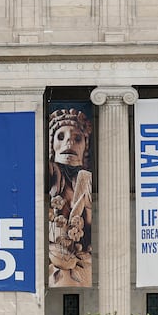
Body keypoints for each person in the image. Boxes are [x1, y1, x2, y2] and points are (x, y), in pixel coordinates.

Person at [47, 107, 93, 288]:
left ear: (85, 146)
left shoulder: (85, 180)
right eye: (61, 137)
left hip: (79, 257)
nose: (69, 142)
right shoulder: (53, 173)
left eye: (77, 138)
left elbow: (88, 222)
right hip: (54, 254)